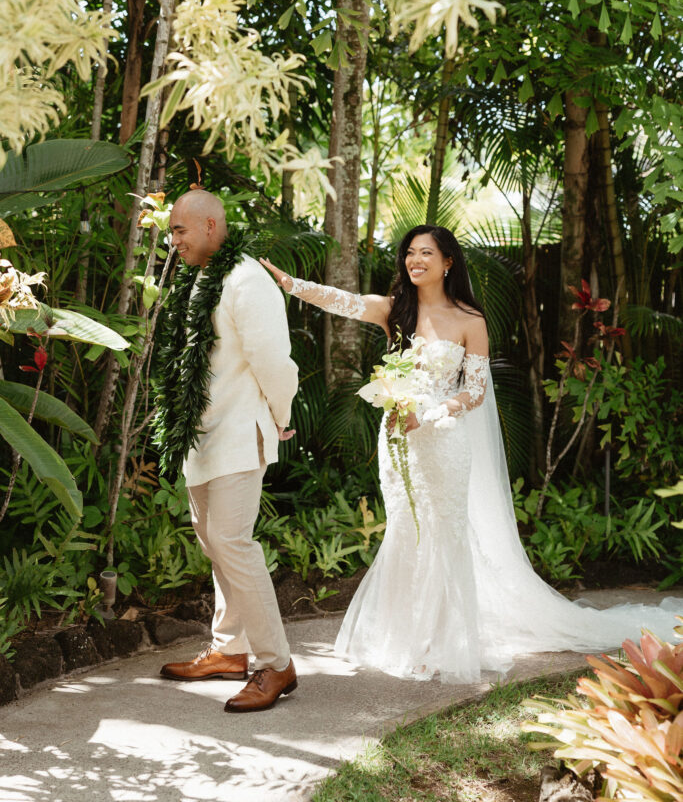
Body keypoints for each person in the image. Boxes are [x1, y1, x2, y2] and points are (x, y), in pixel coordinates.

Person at [261, 224, 680, 683]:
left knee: (443, 533)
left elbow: (476, 391)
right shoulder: (393, 310)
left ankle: (438, 642)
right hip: (398, 438)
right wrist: (290, 284)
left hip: (443, 439)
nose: (414, 260)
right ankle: (402, 636)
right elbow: (341, 301)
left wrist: (435, 410)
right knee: (405, 530)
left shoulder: (470, 320)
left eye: (426, 253)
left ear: (448, 262)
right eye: (409, 253)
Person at [156, 189, 299, 712]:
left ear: (211, 225)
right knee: (213, 542)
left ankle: (276, 664)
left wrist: (281, 417)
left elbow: (275, 362)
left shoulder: (247, 280)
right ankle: (229, 650)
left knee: (233, 543)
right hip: (202, 435)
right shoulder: (198, 278)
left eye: (179, 231)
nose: (174, 241)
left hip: (241, 432)